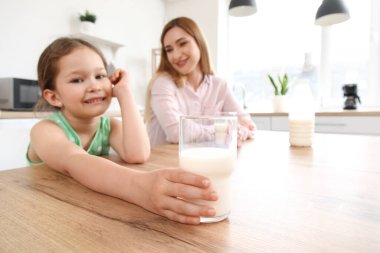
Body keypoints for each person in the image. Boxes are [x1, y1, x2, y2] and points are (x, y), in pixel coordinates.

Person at [27, 37, 218, 225]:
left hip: (89, 211)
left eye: (100, 76)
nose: (94, 86)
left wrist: (125, 92)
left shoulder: (108, 125)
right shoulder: (44, 131)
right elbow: (76, 161)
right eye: (77, 80)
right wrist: (140, 187)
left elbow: (138, 154)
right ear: (53, 97)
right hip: (46, 216)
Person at [144, 16, 255, 147]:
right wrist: (221, 131)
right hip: (162, 164)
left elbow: (247, 124)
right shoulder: (162, 83)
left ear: (199, 42)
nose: (176, 55)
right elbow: (176, 132)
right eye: (169, 49)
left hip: (201, 161)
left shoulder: (219, 85)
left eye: (182, 43)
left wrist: (239, 132)